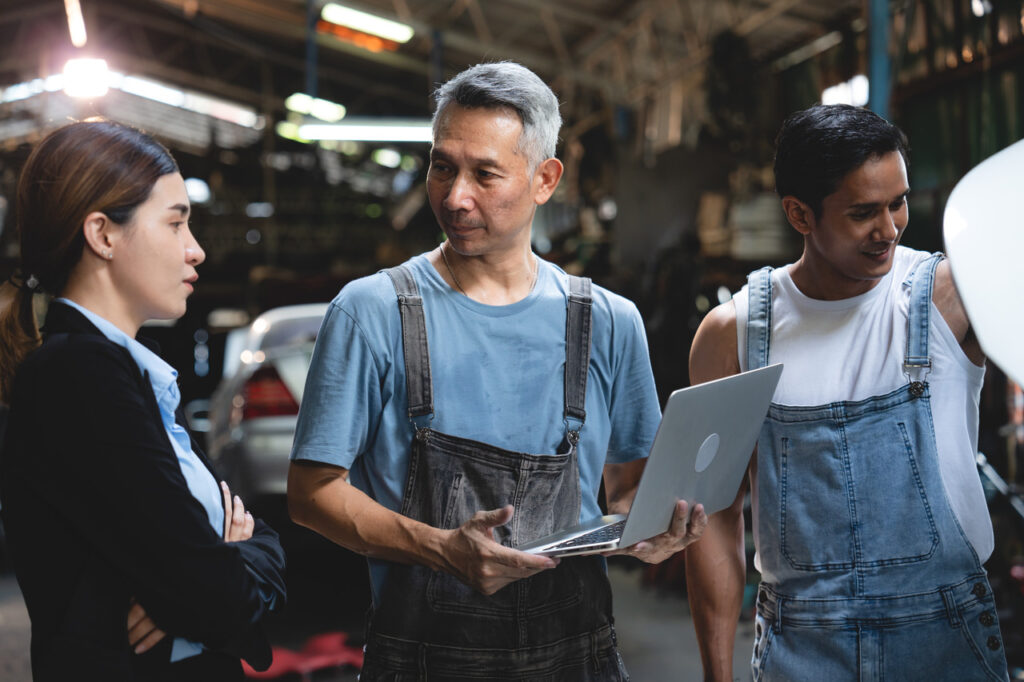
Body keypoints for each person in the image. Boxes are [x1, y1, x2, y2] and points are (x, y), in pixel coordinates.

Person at [287, 61, 708, 681]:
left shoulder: (609, 321)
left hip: (578, 655)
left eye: (485, 174)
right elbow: (311, 494)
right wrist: (441, 550)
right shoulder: (371, 311)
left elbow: (623, 489)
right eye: (441, 167)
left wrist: (654, 531)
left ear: (545, 179)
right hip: (423, 659)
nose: (456, 196)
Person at [686, 104, 1010, 681]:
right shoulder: (733, 336)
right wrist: (719, 675)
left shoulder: (950, 301)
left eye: (898, 203)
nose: (888, 229)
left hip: (944, 637)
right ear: (799, 214)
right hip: (801, 647)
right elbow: (712, 513)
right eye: (863, 212)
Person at [0, 120, 286, 681]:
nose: (196, 250)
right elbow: (217, 597)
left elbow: (259, 543)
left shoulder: (125, 375)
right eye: (176, 223)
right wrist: (222, 567)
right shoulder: (79, 376)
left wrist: (227, 564)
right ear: (103, 234)